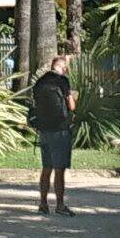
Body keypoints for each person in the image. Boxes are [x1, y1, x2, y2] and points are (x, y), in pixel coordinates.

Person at [27, 62, 77, 213]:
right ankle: (60, 205)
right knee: (59, 169)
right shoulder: (62, 81)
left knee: (46, 168)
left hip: (43, 130)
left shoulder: (40, 81)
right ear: (62, 67)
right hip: (60, 129)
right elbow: (71, 106)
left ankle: (43, 204)